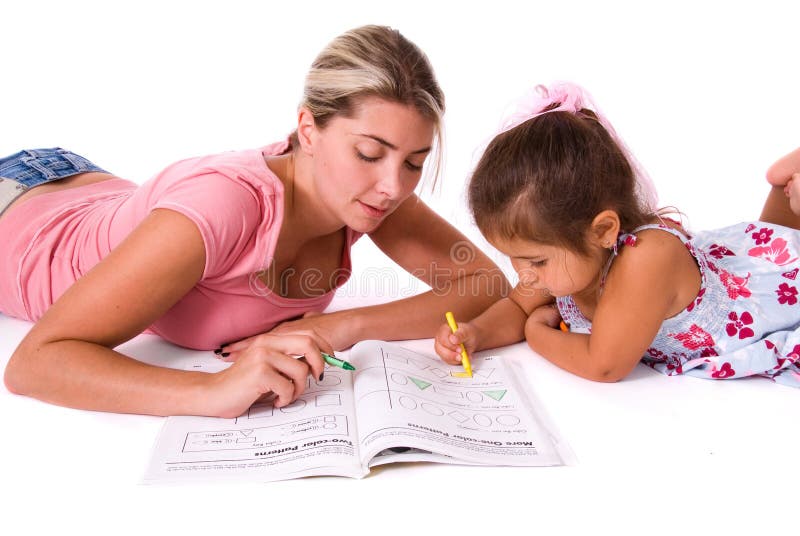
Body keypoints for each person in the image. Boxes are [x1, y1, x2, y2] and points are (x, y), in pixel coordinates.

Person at [1, 25, 508, 417]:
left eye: (415, 162)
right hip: (14, 218)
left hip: (77, 183)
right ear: (308, 129)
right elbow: (34, 364)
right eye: (370, 152)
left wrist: (342, 325)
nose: (395, 186)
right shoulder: (226, 206)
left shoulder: (368, 194)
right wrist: (212, 389)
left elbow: (484, 281)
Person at [435, 82, 800, 387]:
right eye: (513, 256)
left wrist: (537, 333)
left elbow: (604, 365)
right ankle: (787, 188)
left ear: (604, 231)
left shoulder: (646, 258)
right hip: (747, 270)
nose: (523, 273)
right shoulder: (564, 249)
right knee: (779, 239)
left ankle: (786, 185)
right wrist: (476, 334)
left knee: (789, 262)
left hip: (763, 299)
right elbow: (516, 306)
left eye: (535, 261)